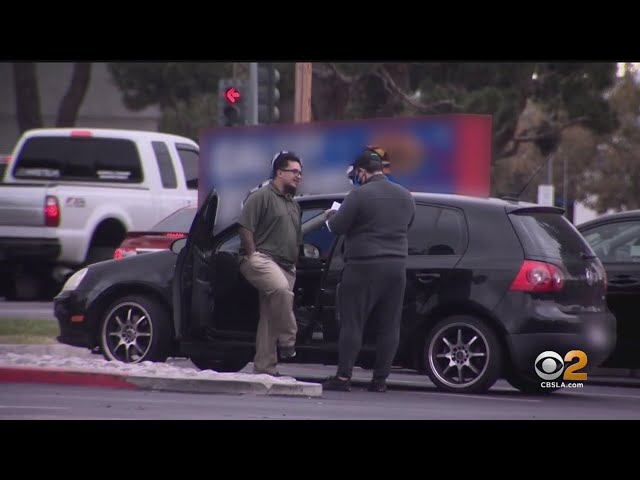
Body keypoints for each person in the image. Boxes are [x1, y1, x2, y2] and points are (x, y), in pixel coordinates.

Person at [322, 148, 416, 392]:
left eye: (357, 174)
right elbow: (408, 225)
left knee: (353, 323)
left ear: (362, 172)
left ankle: (343, 377)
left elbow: (338, 227)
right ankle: (380, 380)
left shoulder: (359, 195)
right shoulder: (405, 195)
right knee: (389, 325)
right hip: (396, 268)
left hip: (363, 266)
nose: (357, 178)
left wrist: (331, 214)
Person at [238, 151, 304, 376]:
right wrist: (252, 254)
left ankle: (264, 368)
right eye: (294, 171)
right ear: (279, 172)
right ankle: (289, 340)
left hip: (287, 266)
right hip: (263, 260)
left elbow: (296, 236)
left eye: (300, 173)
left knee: (269, 318)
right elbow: (245, 226)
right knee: (281, 291)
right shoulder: (261, 196)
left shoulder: (293, 204)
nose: (298, 176)